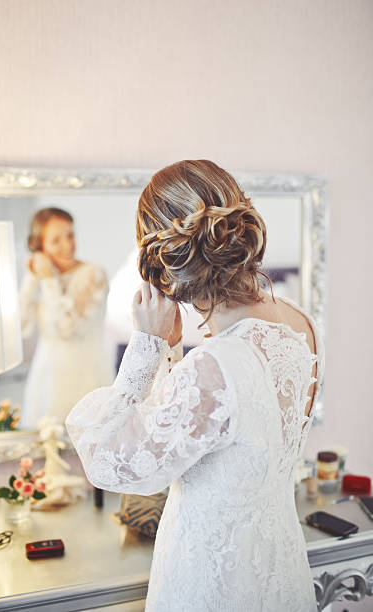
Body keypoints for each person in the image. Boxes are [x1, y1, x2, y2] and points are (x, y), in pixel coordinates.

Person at [66, 161, 324, 611]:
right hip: (280, 570)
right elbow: (218, 431)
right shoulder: (299, 321)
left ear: (161, 262)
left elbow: (108, 463)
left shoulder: (215, 366)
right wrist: (171, 349)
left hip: (212, 584)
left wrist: (146, 347)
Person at [20, 207, 113, 429]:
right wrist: (32, 278)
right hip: (45, 381)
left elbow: (68, 329)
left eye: (70, 235)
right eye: (56, 240)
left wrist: (48, 281)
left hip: (83, 379)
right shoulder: (43, 277)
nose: (68, 245)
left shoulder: (93, 274)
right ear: (40, 247)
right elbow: (20, 324)